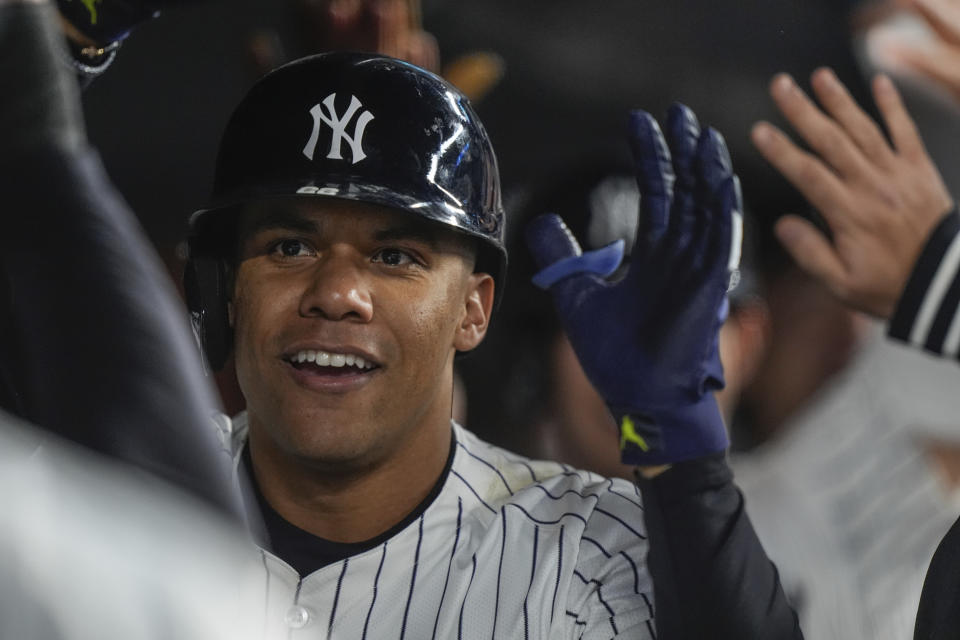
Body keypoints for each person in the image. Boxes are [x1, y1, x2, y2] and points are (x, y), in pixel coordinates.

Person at [179, 48, 799, 637]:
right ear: (227, 289)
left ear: (473, 311)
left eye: (395, 255)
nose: (338, 292)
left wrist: (683, 453)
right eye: (290, 247)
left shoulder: (583, 551)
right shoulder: (138, 473)